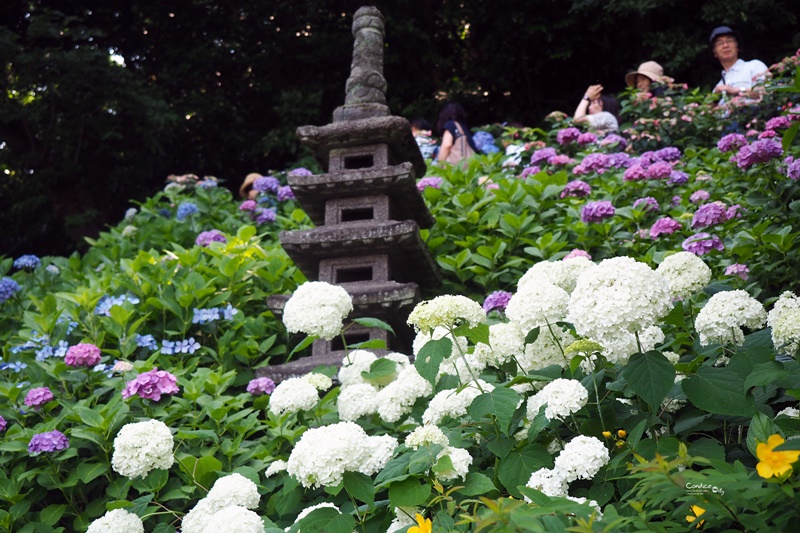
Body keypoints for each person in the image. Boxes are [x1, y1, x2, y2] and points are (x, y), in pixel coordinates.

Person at [709, 25, 768, 101]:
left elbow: (768, 92)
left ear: (737, 46)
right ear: (715, 53)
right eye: (720, 43)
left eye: (729, 41)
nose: (725, 45)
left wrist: (737, 90)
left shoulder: (754, 66)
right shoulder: (717, 88)